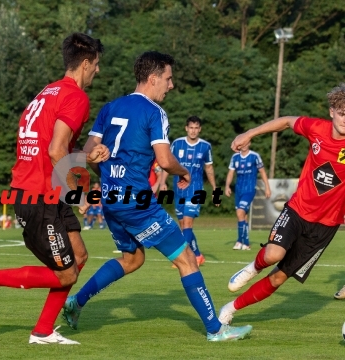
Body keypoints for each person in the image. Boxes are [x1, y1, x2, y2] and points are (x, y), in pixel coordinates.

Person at [63, 51, 252, 342]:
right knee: (187, 260)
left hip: (112, 199)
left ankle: (76, 302)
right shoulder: (155, 112)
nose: (171, 85)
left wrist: (99, 166)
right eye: (168, 78)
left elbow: (87, 154)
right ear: (153, 79)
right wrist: (184, 173)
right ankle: (216, 329)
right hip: (138, 204)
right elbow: (164, 160)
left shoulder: (110, 107)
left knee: (132, 258)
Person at [0, 32, 109, 345]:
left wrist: (85, 157)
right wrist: (79, 192)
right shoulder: (76, 97)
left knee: (79, 257)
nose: (98, 71)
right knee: (66, 273)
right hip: (39, 195)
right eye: (96, 64)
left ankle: (43, 330)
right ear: (85, 64)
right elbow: (57, 150)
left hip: (45, 190)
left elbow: (51, 147)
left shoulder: (49, 91)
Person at [219, 83, 345, 329]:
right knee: (273, 255)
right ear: (332, 111)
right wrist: (249, 134)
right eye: (342, 112)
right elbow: (287, 121)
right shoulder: (316, 128)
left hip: (326, 227)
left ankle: (229, 309)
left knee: (278, 278)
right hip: (298, 210)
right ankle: (253, 266)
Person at [163, 116, 218, 266]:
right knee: (183, 226)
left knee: (187, 224)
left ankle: (181, 258)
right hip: (179, 188)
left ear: (199, 129)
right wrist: (162, 182)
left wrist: (215, 189)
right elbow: (168, 163)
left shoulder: (205, 146)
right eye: (191, 127)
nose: (193, 130)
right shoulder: (177, 144)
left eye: (196, 128)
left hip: (195, 189)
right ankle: (198, 255)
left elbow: (209, 168)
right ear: (186, 128)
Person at [225, 143, 271, 250]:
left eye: (246, 143)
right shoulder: (235, 157)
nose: (244, 145)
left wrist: (267, 187)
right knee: (242, 216)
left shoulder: (254, 156)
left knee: (240, 212)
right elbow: (231, 173)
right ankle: (242, 242)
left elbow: (262, 172)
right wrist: (227, 186)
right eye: (242, 143)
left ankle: (243, 242)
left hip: (249, 189)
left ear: (249, 143)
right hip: (239, 190)